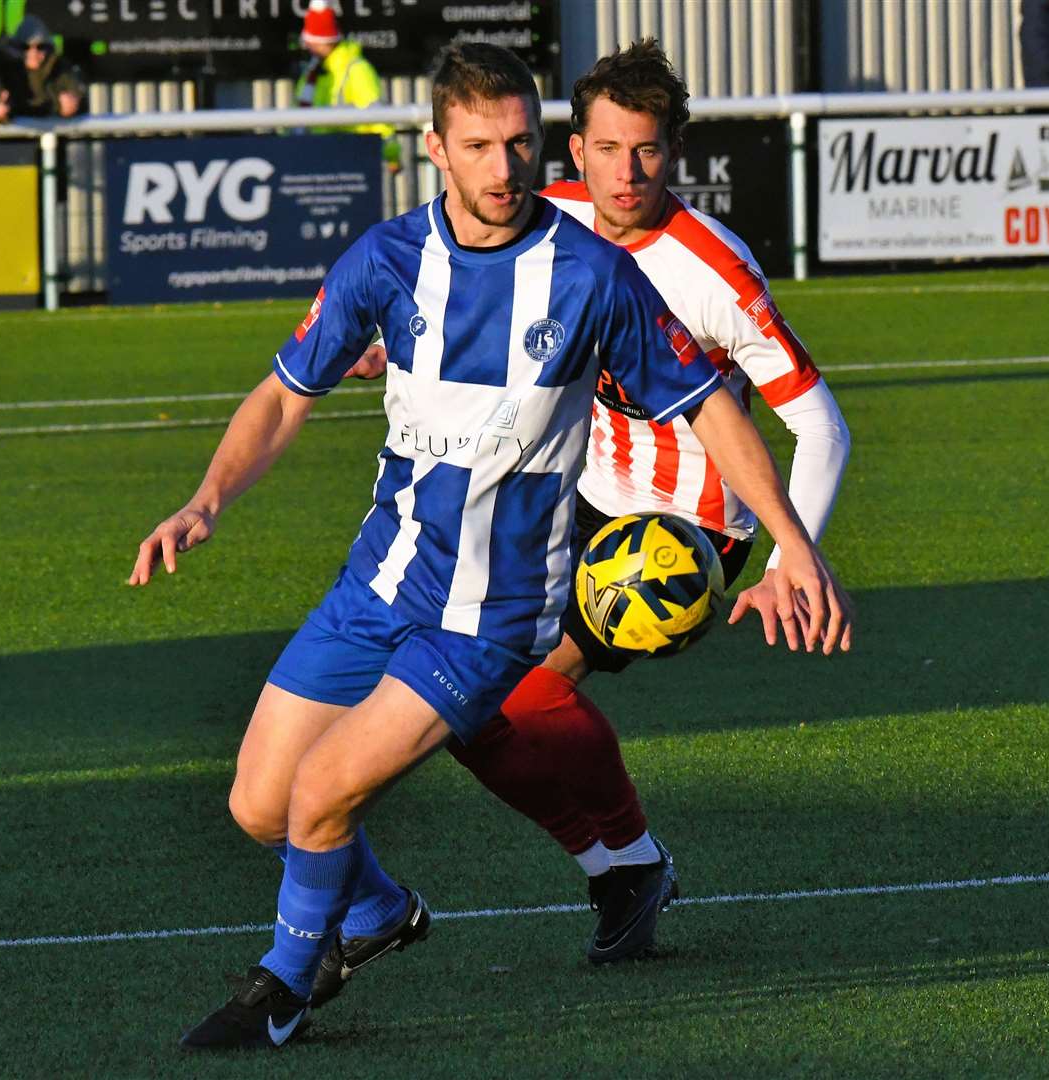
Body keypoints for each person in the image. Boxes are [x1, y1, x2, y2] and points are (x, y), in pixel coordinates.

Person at [130, 42, 850, 1052]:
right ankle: (378, 914)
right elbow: (284, 398)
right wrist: (206, 499)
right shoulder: (385, 261)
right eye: (480, 146)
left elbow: (714, 411)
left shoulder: (593, 275)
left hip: (494, 607)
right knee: (260, 805)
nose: (505, 168)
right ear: (437, 150)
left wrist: (791, 547)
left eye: (518, 142)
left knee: (325, 790)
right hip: (378, 579)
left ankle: (283, 989)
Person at [350, 37, 852, 968]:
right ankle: (621, 863)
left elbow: (821, 425)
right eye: (609, 150)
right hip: (573, 494)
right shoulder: (551, 219)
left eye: (649, 151)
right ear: (574, 150)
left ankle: (626, 858)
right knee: (458, 698)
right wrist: (398, 345)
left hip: (683, 529)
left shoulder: (714, 269)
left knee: (508, 685)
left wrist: (792, 561)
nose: (629, 173)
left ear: (675, 152)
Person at [295, 0, 401, 173]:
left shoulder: (356, 69)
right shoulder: (312, 73)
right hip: (314, 162)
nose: (307, 46)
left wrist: (392, 156)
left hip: (353, 162)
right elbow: (296, 118)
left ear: (321, 41)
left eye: (310, 41)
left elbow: (378, 116)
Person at [0, 14, 84, 119]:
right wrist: (0, 110)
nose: (33, 53)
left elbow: (80, 97)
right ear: (16, 47)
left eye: (40, 46)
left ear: (48, 47)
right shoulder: (4, 70)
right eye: (26, 47)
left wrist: (73, 105)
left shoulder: (61, 68)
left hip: (56, 133)